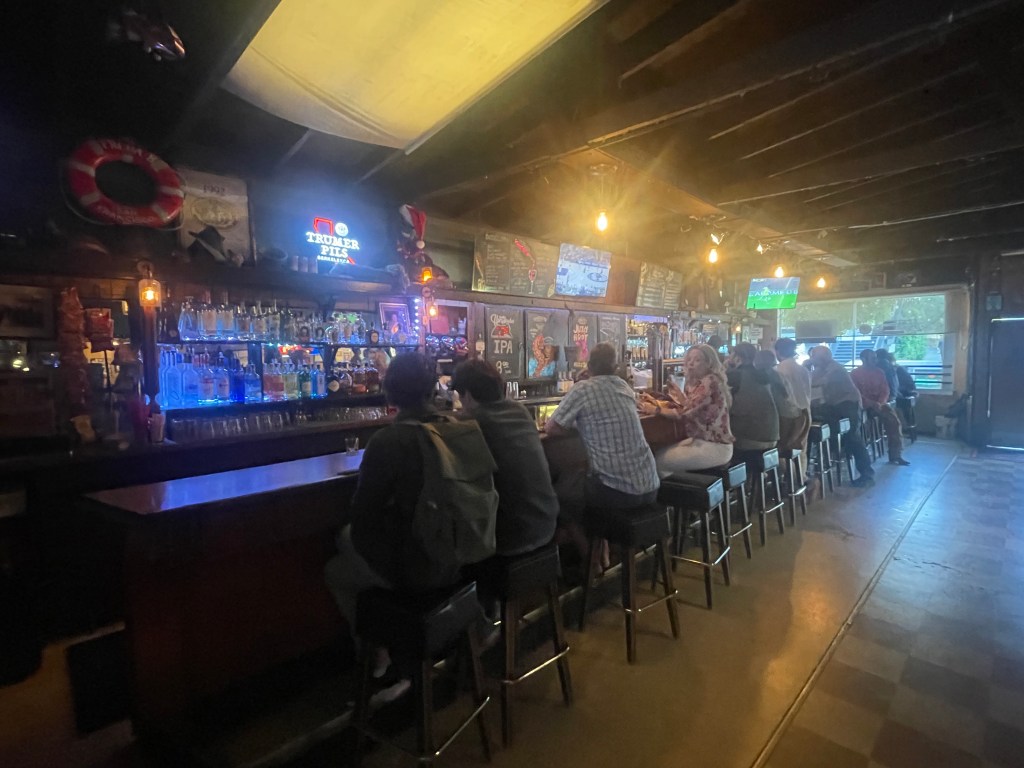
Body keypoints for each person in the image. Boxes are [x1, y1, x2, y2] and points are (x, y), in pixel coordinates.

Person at [324, 352, 490, 705]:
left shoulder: (389, 441)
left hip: (422, 570)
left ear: (389, 392)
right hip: (466, 555)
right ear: (432, 390)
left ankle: (390, 662)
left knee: (338, 567)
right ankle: (470, 623)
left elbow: (363, 518)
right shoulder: (458, 427)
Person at [451, 358, 559, 556]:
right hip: (546, 523)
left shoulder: (471, 423)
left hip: (511, 539)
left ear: (467, 394)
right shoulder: (520, 410)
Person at [545, 342, 660, 510]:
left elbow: (551, 428)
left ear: (589, 366)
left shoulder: (582, 389)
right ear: (615, 367)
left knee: (563, 492)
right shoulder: (624, 386)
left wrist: (579, 423)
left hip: (618, 493)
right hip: (651, 487)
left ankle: (583, 528)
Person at [637, 343, 734, 475]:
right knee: (660, 453)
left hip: (714, 447)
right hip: (706, 441)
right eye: (689, 359)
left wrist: (655, 410)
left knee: (655, 461)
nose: (691, 363)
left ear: (709, 364)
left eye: (697, 360)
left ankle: (677, 487)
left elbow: (683, 414)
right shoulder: (707, 381)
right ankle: (677, 485)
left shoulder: (709, 382)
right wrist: (680, 396)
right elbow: (695, 408)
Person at [807, 346, 875, 487]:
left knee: (853, 438)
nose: (812, 359)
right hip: (836, 407)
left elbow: (820, 386)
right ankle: (824, 458)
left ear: (824, 358)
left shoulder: (835, 369)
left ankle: (867, 474)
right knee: (838, 436)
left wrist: (806, 369)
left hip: (848, 405)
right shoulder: (822, 369)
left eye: (814, 357)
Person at [850, 349, 909, 466]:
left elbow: (885, 390)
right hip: (863, 406)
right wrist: (871, 403)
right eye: (873, 358)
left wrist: (880, 403)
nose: (875, 361)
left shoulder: (879, 372)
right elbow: (856, 394)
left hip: (880, 405)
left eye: (875, 358)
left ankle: (895, 455)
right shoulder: (855, 374)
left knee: (894, 422)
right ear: (863, 359)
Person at [726, 343, 780, 452]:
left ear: (737, 357)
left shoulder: (735, 376)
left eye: (731, 354)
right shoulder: (767, 374)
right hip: (772, 435)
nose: (728, 357)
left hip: (748, 437)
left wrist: (725, 368)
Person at [774, 338, 812, 456]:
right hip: (806, 413)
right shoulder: (803, 370)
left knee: (783, 451)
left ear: (777, 351)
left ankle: (785, 468)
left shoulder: (777, 370)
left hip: (788, 416)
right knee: (800, 452)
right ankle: (799, 469)